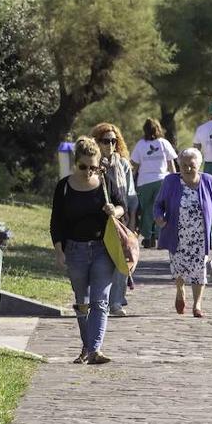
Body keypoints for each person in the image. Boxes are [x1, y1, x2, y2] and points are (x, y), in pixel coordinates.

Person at [50, 136, 125, 364]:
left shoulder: (105, 182)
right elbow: (56, 223)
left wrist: (115, 211)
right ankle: (87, 345)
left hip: (103, 248)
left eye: (94, 167)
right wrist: (59, 251)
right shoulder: (64, 187)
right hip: (75, 250)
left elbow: (122, 206)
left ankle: (94, 350)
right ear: (76, 162)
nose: (89, 171)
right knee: (82, 301)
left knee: (100, 301)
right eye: (84, 166)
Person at [154, 148, 212, 318]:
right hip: (177, 234)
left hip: (200, 235)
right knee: (179, 269)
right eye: (183, 165)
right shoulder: (171, 181)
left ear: (199, 165)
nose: (187, 169)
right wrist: (159, 217)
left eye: (191, 165)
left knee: (200, 270)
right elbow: (158, 204)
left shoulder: (209, 181)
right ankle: (180, 290)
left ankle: (197, 304)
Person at [91, 122, 138, 317]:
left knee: (122, 259)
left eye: (113, 141)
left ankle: (116, 302)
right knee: (101, 260)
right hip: (97, 221)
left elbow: (130, 194)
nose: (109, 145)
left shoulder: (123, 165)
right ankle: (99, 300)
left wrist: (132, 220)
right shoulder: (92, 164)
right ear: (97, 142)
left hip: (121, 217)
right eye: (105, 141)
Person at [130, 118, 177, 248]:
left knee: (146, 210)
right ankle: (159, 235)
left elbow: (135, 165)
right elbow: (171, 163)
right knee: (161, 208)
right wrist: (175, 179)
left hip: (144, 182)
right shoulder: (164, 143)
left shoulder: (140, 144)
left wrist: (131, 181)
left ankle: (148, 236)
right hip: (162, 180)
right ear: (158, 129)